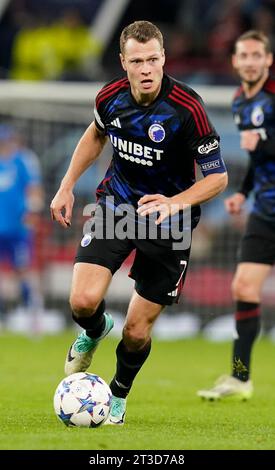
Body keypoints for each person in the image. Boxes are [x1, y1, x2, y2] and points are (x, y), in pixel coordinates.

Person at [50, 20, 228, 425]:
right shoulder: (110, 97)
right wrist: (66, 185)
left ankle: (117, 394)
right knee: (82, 302)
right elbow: (96, 134)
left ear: (164, 58)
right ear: (123, 62)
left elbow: (218, 177)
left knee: (136, 331)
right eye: (137, 60)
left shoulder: (188, 108)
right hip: (117, 208)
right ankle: (95, 331)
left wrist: (174, 203)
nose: (146, 68)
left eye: (153, 59)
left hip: (170, 224)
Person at [197, 30, 275, 401]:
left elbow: (263, 146)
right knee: (243, 287)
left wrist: (265, 142)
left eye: (256, 55)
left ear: (268, 60)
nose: (249, 61)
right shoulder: (239, 102)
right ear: (234, 61)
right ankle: (240, 377)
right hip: (265, 208)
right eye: (243, 55)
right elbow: (258, 160)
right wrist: (241, 194)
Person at [0, 124, 44, 326]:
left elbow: (34, 189)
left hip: (17, 228)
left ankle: (33, 313)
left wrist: (33, 212)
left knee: (23, 269)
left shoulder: (22, 162)